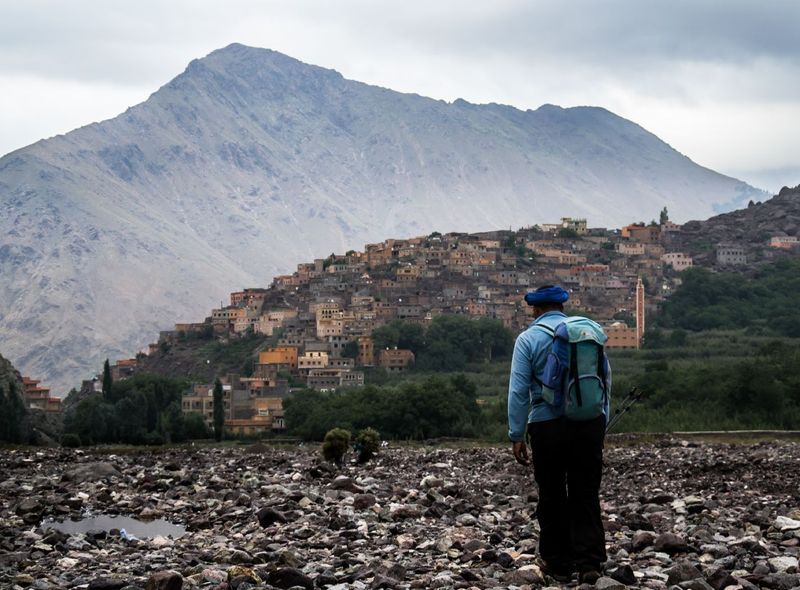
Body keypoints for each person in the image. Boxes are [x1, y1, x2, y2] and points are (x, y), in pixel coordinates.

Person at [507, 284, 608, 584]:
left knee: (551, 493)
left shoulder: (528, 339)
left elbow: (518, 391)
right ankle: (589, 561)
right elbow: (605, 379)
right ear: (562, 307)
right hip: (588, 423)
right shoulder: (588, 333)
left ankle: (558, 562)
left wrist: (516, 434)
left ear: (536, 310)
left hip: (546, 425)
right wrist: (600, 422)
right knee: (586, 493)